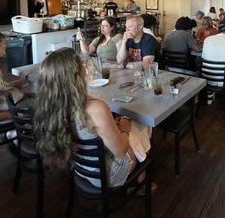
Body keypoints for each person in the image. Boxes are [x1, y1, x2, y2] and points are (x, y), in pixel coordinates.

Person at [33, 48, 151, 188]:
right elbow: (121, 151)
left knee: (128, 128)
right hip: (105, 175)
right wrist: (124, 129)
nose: (86, 68)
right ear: (76, 76)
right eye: (82, 65)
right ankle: (141, 183)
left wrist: (112, 124)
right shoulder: (95, 108)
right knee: (142, 126)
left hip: (80, 168)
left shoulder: (53, 105)